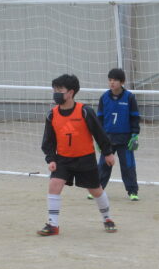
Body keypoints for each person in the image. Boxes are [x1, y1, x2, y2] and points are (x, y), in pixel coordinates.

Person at [38, 73, 117, 236]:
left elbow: (100, 134)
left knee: (95, 190)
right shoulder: (51, 115)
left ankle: (107, 218)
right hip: (63, 159)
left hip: (85, 159)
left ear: (71, 92)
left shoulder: (85, 111)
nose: (56, 93)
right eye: (54, 90)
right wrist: (51, 159)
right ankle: (53, 225)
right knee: (54, 185)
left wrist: (108, 153)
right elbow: (48, 141)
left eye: (60, 90)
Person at [96, 67, 141, 200]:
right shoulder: (104, 97)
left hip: (125, 139)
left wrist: (135, 135)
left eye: (115, 80)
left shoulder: (129, 97)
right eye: (110, 80)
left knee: (128, 166)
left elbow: (135, 117)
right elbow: (99, 119)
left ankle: (132, 191)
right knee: (103, 165)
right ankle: (97, 189)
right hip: (107, 138)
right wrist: (99, 138)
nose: (112, 82)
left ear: (122, 82)